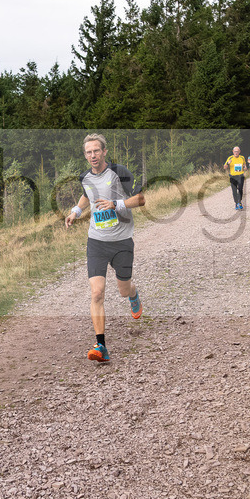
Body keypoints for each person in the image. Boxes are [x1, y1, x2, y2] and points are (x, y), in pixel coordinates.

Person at [65, 133, 145, 363]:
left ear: (104, 152)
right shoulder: (84, 177)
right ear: (85, 155)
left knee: (123, 289)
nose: (93, 155)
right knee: (97, 292)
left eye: (96, 151)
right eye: (88, 152)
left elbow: (141, 199)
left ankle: (133, 294)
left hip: (121, 241)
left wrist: (116, 204)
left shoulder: (119, 172)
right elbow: (86, 195)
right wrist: (76, 212)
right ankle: (101, 345)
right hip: (97, 241)